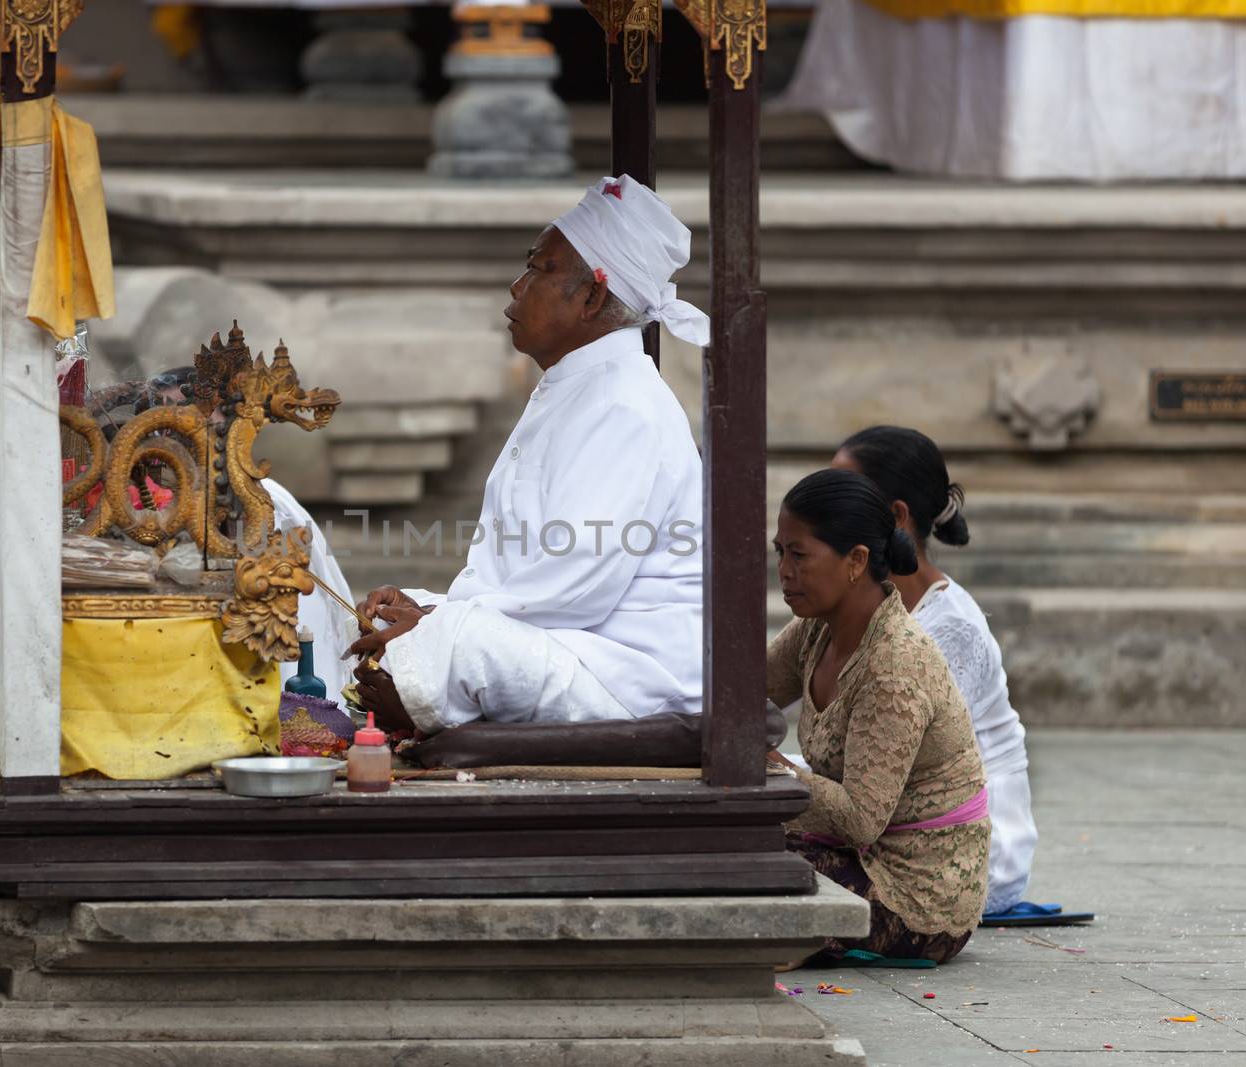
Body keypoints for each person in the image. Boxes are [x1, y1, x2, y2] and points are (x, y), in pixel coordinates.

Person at [345, 174, 709, 736]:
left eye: (540, 270)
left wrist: (437, 626)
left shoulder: (623, 405)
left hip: (629, 675)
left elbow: (574, 588)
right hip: (571, 644)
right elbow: (525, 585)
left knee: (454, 644)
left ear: (592, 296)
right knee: (374, 614)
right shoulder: (579, 386)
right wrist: (424, 611)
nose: (517, 287)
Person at [770, 469, 988, 965]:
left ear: (857, 561)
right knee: (719, 841)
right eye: (779, 552)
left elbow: (859, 820)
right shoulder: (815, 631)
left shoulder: (895, 664)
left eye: (799, 554)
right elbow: (743, 692)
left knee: (746, 866)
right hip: (859, 859)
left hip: (918, 898)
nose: (784, 570)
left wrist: (772, 772)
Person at [833, 425, 1039, 917]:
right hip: (888, 821)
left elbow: (887, 771)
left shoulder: (949, 629)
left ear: (896, 516)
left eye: (845, 500)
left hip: (964, 856)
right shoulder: (862, 603)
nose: (827, 515)